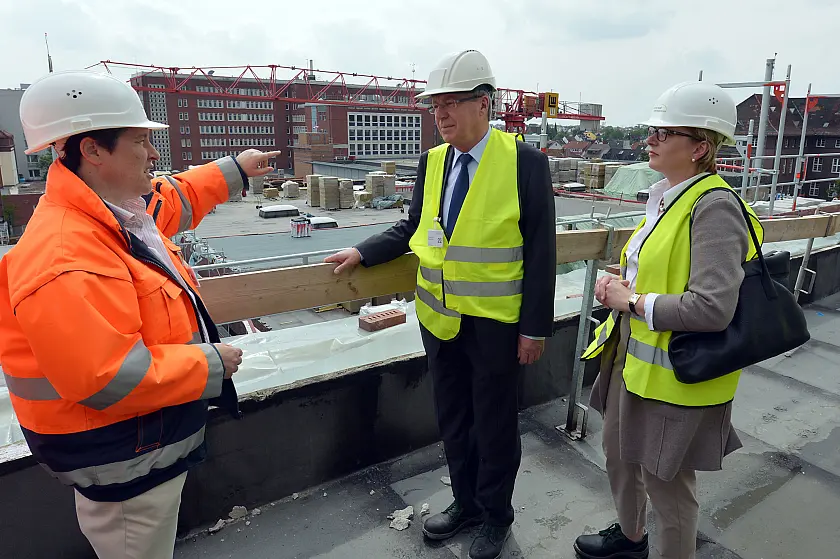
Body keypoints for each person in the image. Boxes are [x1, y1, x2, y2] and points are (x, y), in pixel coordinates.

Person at [0, 70, 280, 559]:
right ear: (91, 150)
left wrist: (235, 168)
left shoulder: (110, 214)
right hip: (121, 459)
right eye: (140, 141)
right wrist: (212, 365)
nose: (153, 155)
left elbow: (172, 199)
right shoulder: (68, 255)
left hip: (134, 446)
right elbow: (105, 376)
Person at [325, 49, 556, 559]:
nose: (442, 114)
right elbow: (414, 227)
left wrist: (534, 329)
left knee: (494, 425)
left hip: (497, 323)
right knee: (453, 419)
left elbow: (541, 250)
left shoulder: (524, 162)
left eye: (452, 102)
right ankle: (467, 503)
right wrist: (364, 252)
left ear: (484, 103)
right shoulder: (433, 162)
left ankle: (496, 514)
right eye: (435, 106)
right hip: (439, 318)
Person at [573, 82, 763, 559]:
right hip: (634, 364)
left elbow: (712, 307)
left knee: (669, 490)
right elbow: (666, 272)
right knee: (619, 457)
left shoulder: (714, 207)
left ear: (700, 147)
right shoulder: (669, 197)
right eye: (651, 130)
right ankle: (633, 537)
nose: (650, 140)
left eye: (665, 132)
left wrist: (631, 301)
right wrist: (622, 284)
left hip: (677, 376)